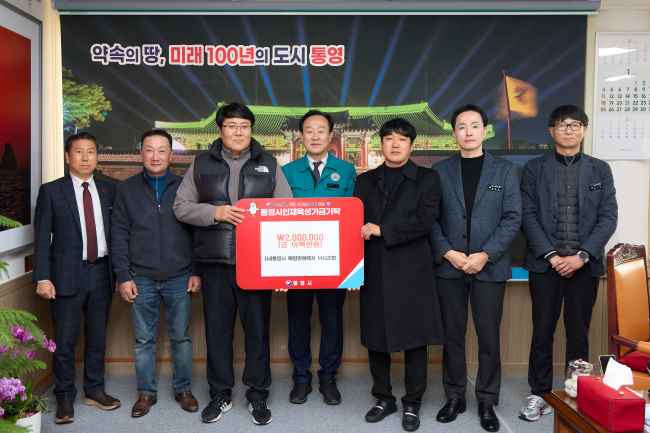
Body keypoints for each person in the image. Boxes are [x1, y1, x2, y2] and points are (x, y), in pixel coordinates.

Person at [173, 102, 292, 426]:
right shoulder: (201, 163)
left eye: (244, 126)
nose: (238, 132)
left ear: (251, 130)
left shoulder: (269, 163)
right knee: (217, 333)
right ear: (221, 129)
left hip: (257, 264)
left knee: (257, 332)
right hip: (215, 263)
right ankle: (220, 394)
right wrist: (216, 212)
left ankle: (258, 395)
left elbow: (286, 209)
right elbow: (181, 206)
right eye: (231, 125)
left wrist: (282, 266)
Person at [519, 105, 618, 422]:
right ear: (552, 131)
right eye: (562, 124)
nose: (569, 130)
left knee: (578, 333)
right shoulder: (533, 169)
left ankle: (575, 393)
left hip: (584, 266)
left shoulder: (600, 169)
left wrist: (582, 255)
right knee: (542, 331)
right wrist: (551, 255)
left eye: (576, 125)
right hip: (545, 265)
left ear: (584, 130)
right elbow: (527, 215)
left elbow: (608, 217)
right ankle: (539, 393)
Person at [431, 104, 522, 433]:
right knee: (452, 335)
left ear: (485, 130)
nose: (468, 132)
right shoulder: (439, 171)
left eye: (474, 125)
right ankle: (454, 396)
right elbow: (431, 219)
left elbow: (513, 217)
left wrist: (486, 254)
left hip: (489, 267)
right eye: (461, 126)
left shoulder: (505, 171)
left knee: (488, 336)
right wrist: (448, 252)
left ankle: (486, 399)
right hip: (450, 267)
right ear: (453, 132)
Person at [354, 118, 443, 432]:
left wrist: (383, 229)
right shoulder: (365, 181)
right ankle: (383, 398)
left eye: (402, 139)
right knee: (376, 338)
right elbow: (353, 224)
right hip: (375, 269)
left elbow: (425, 221)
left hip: (413, 270)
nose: (395, 144)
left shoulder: (428, 178)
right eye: (389, 138)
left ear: (411, 145)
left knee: (415, 339)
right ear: (381, 143)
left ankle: (412, 402)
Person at [111, 129, 201, 418]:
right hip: (141, 277)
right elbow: (119, 234)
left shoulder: (186, 186)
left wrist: (195, 270)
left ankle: (183, 390)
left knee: (181, 338)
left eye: (162, 150)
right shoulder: (126, 189)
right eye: (149, 150)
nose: (155, 156)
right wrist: (123, 275)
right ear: (141, 154)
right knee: (143, 341)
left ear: (171, 155)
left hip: (179, 276)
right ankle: (146, 393)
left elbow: (197, 232)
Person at [33, 132, 120, 424]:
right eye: (79, 152)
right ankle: (64, 397)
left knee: (97, 337)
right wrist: (42, 277)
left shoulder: (110, 188)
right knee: (66, 340)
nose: (85, 157)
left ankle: (94, 390)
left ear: (97, 156)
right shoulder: (51, 191)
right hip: (65, 275)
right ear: (68, 157)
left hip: (102, 272)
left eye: (91, 151)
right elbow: (41, 237)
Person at [281, 110, 357, 405]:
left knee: (332, 320)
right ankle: (301, 378)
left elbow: (352, 220)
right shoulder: (287, 171)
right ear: (301, 136)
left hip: (333, 263)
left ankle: (328, 378)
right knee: (298, 320)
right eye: (309, 130)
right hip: (296, 261)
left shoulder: (346, 171)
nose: (315, 136)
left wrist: (353, 268)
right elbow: (276, 218)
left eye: (321, 130)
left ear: (330, 135)